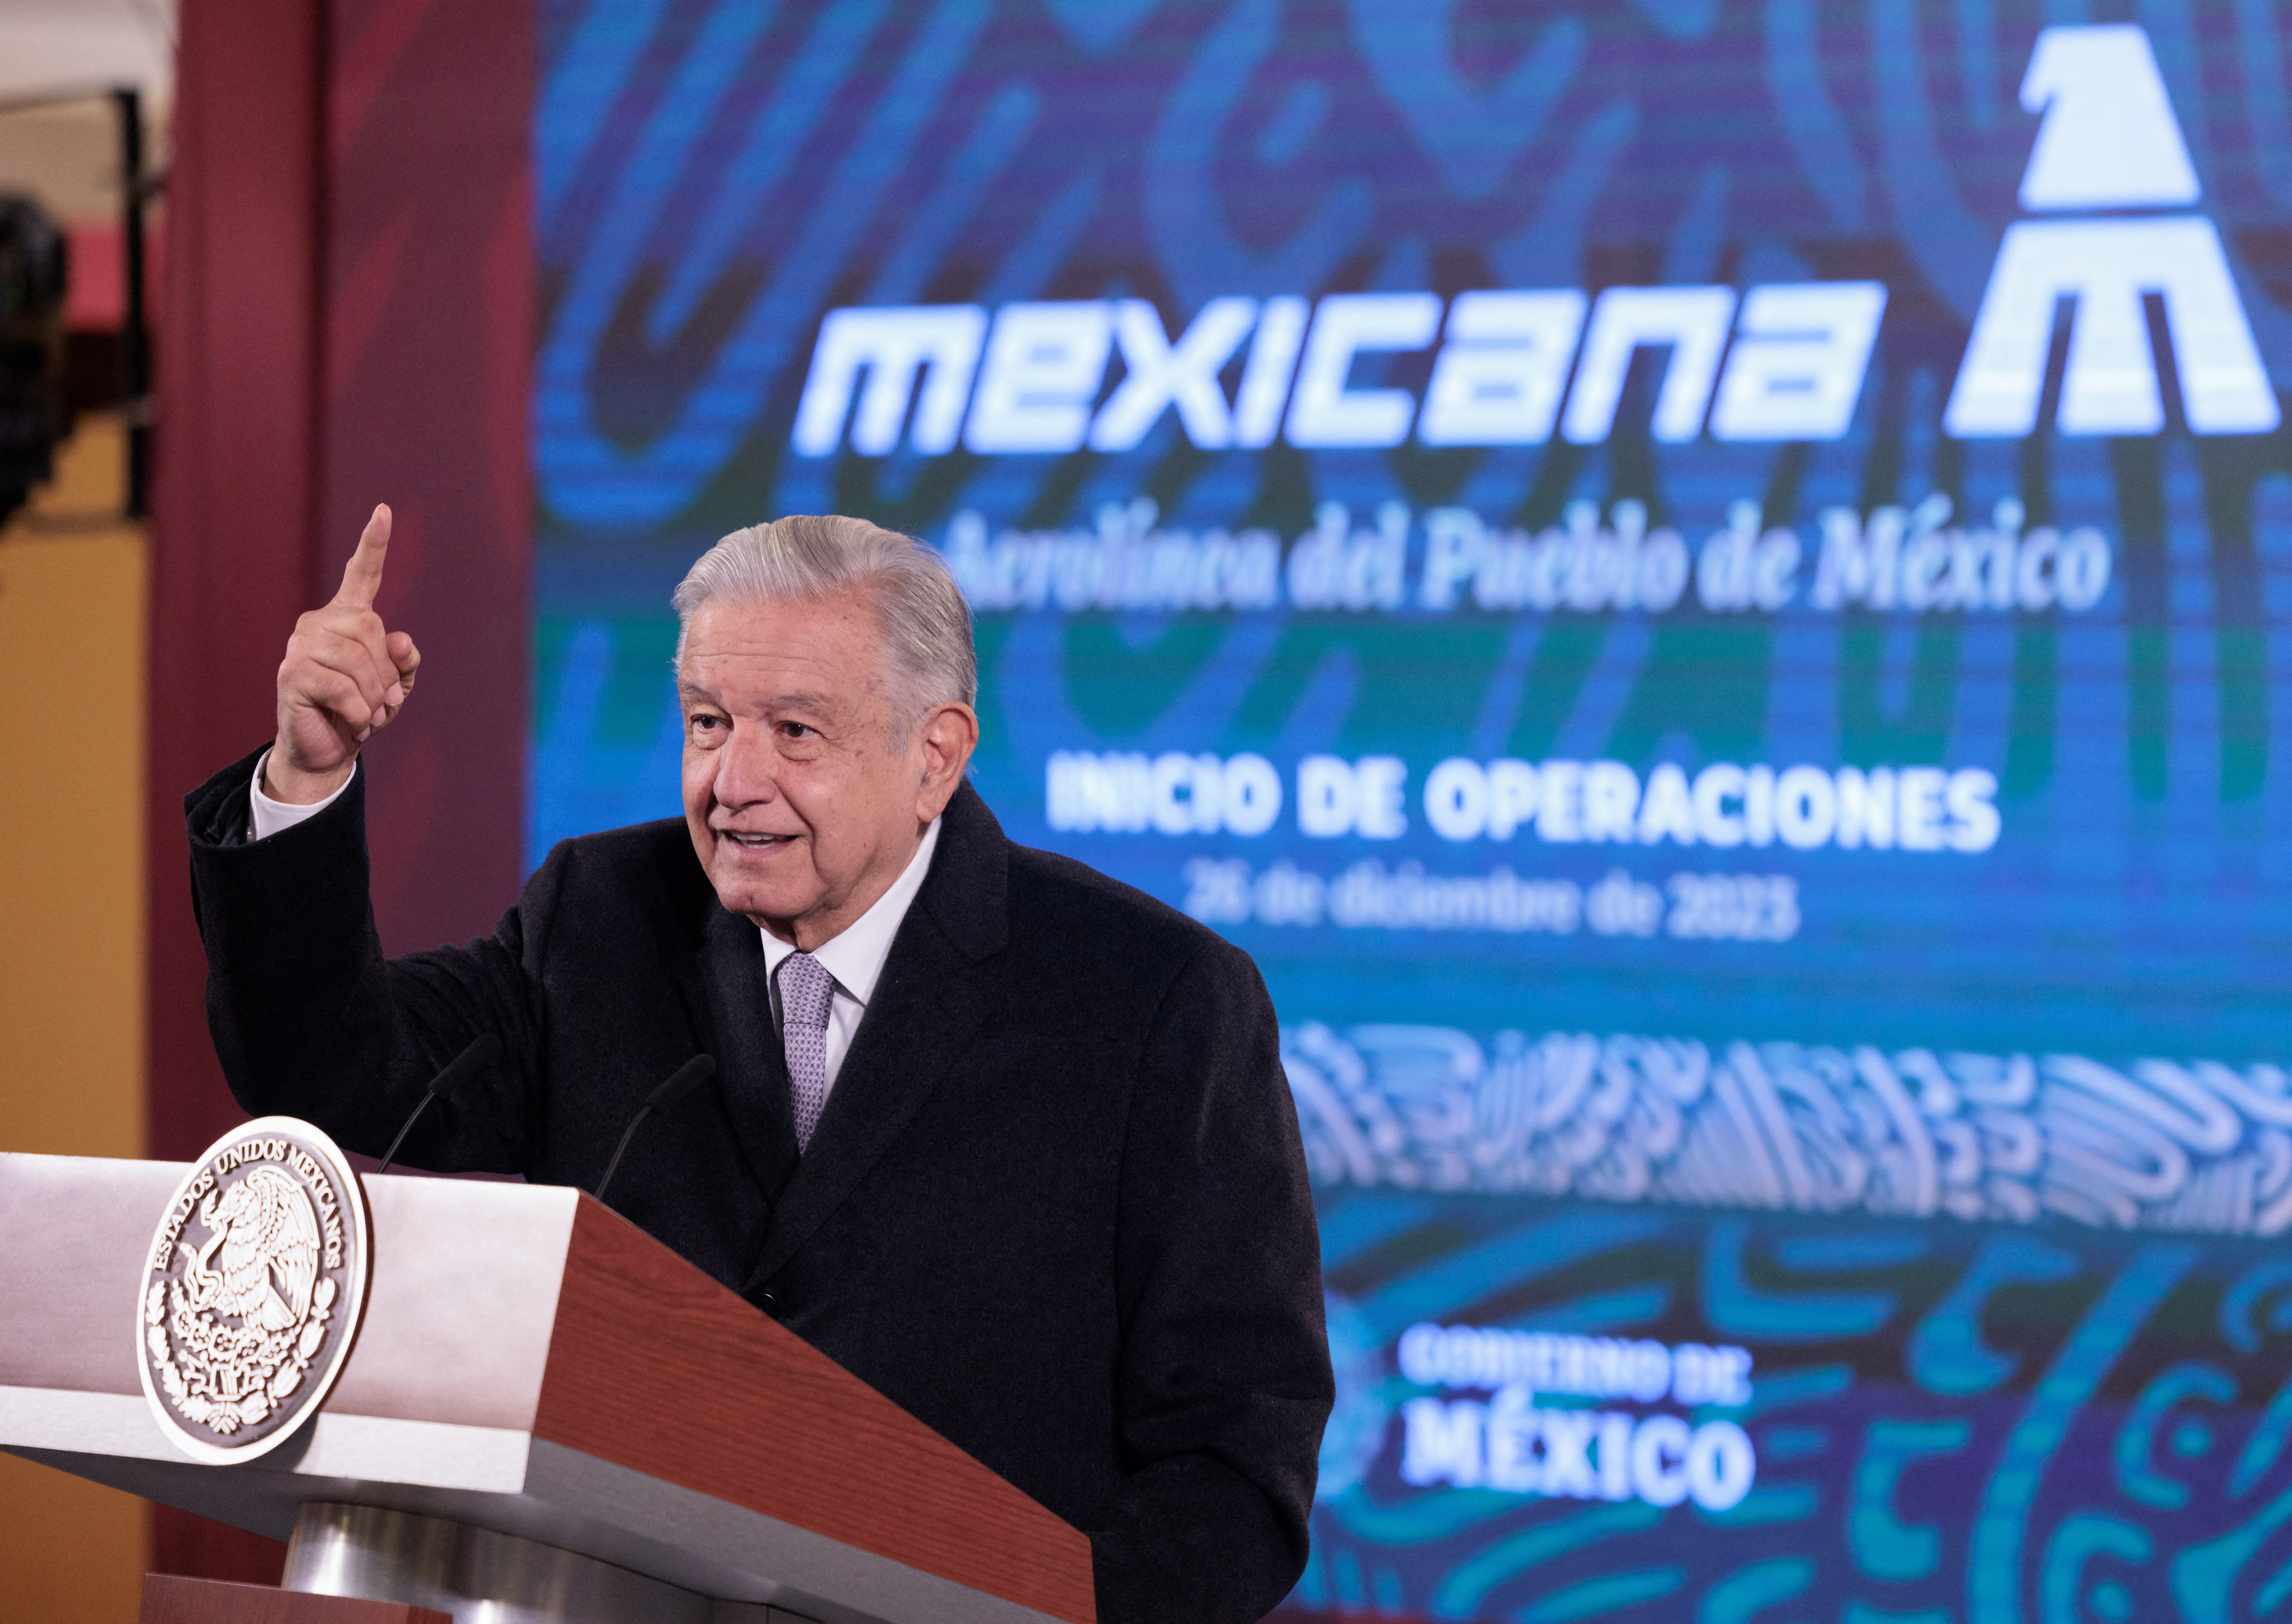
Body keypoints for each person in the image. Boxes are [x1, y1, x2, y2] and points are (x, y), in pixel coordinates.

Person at [184, 505, 1333, 1624]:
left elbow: (1236, 1460)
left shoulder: (1154, 1001)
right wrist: (306, 771)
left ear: (934, 755)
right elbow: (334, 1065)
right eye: (704, 722)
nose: (732, 781)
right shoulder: (600, 919)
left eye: (795, 730)